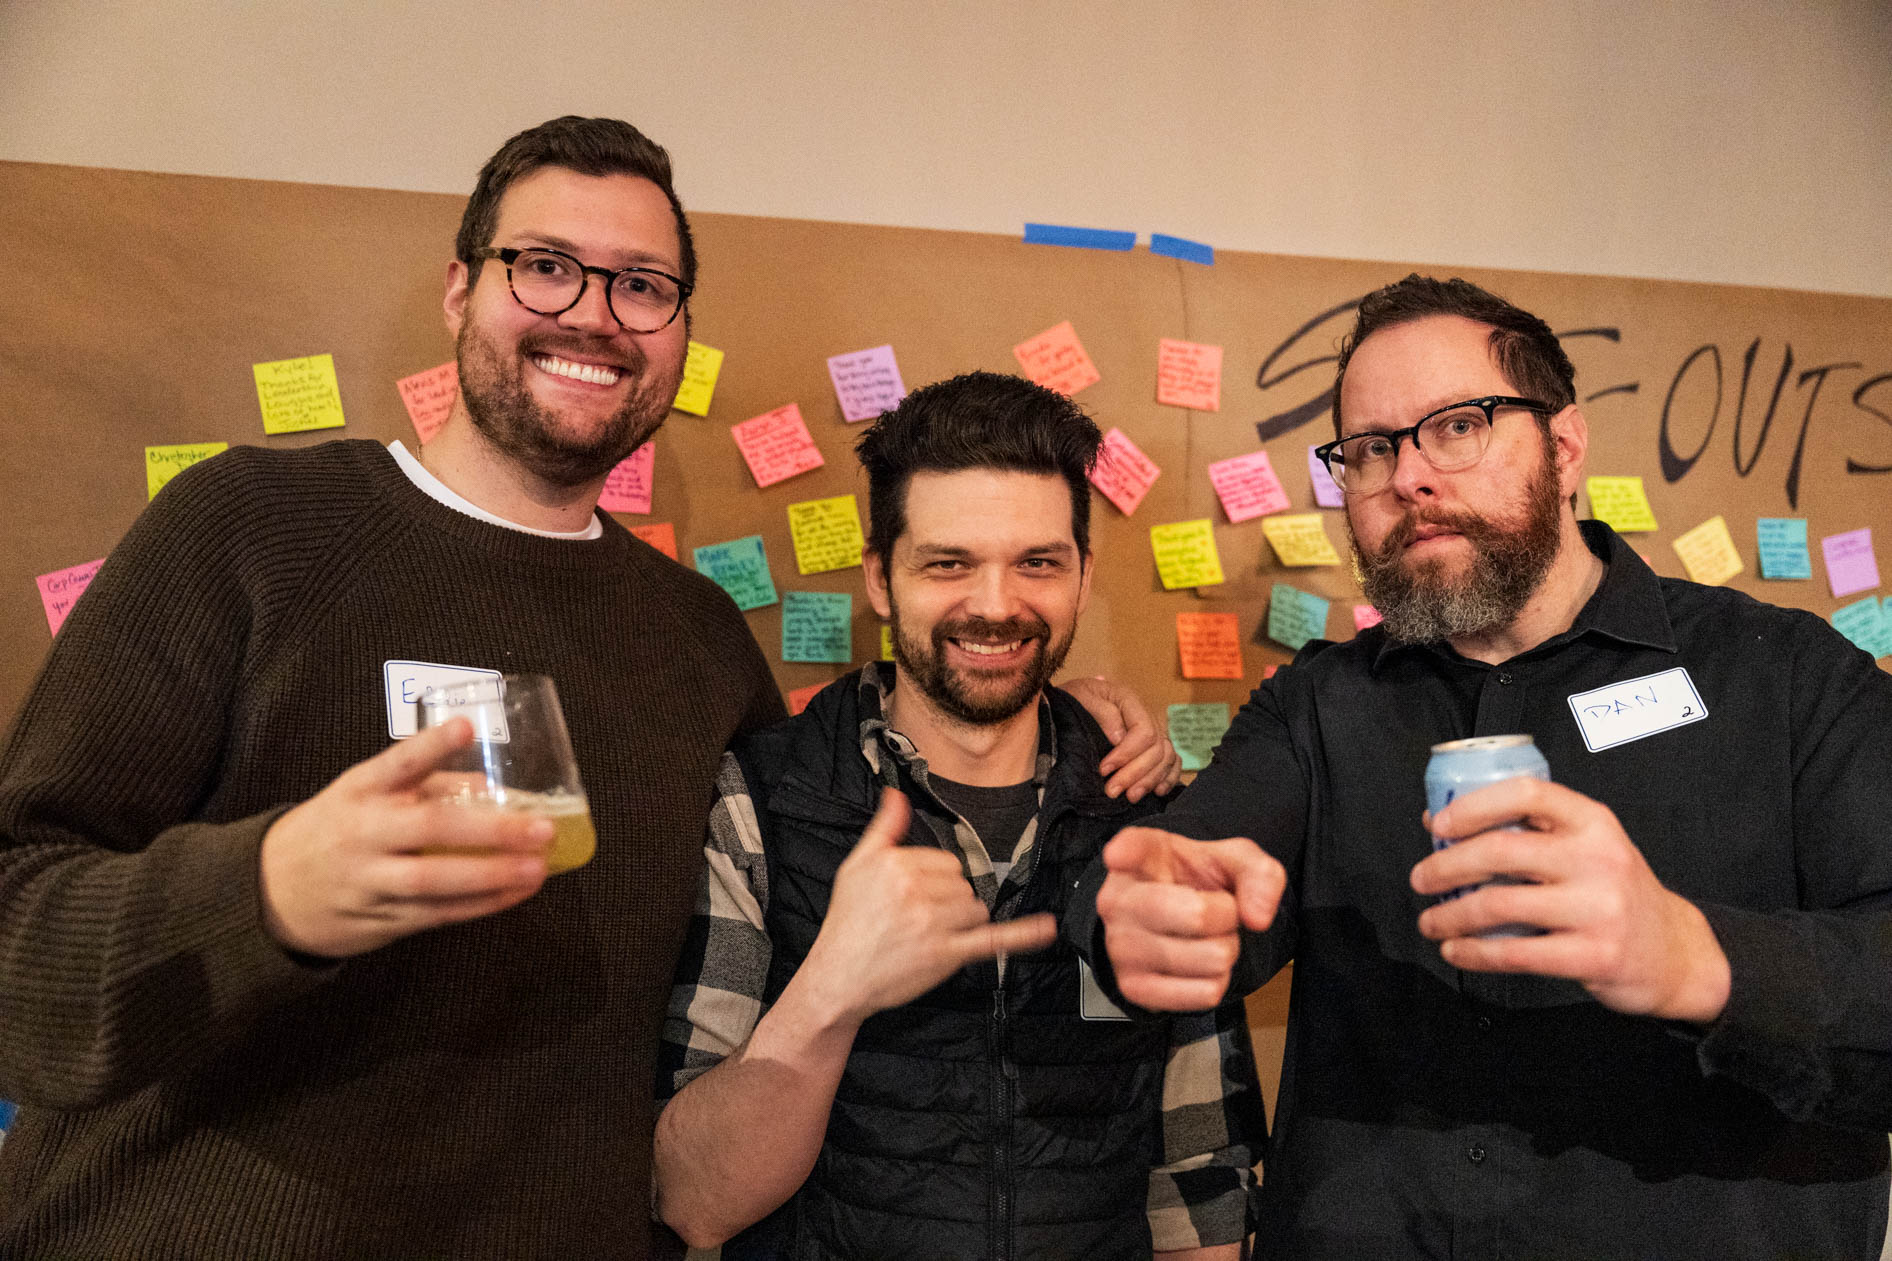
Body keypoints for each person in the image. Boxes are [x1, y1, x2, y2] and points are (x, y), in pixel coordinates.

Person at [0, 118, 1173, 1259]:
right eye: (546, 267)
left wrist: (1072, 715)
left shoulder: (697, 640)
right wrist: (267, 889)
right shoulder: (247, 528)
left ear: (676, 331)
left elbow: (826, 832)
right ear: (461, 289)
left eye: (640, 285)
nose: (592, 317)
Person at [1087, 275, 1892, 1258]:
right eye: (1370, 449)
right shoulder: (1318, 707)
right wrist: (1127, 910)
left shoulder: (1785, 677)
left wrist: (1689, 953)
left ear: (1563, 446)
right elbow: (1169, 868)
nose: (1409, 478)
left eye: (1456, 426)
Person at [653, 371, 1258, 1260]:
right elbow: (694, 1200)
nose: (995, 604)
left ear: (1084, 578)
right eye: (948, 562)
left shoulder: (1149, 817)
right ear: (881, 580)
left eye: (1037, 562)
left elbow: (1202, 1177)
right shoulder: (764, 801)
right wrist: (832, 987)